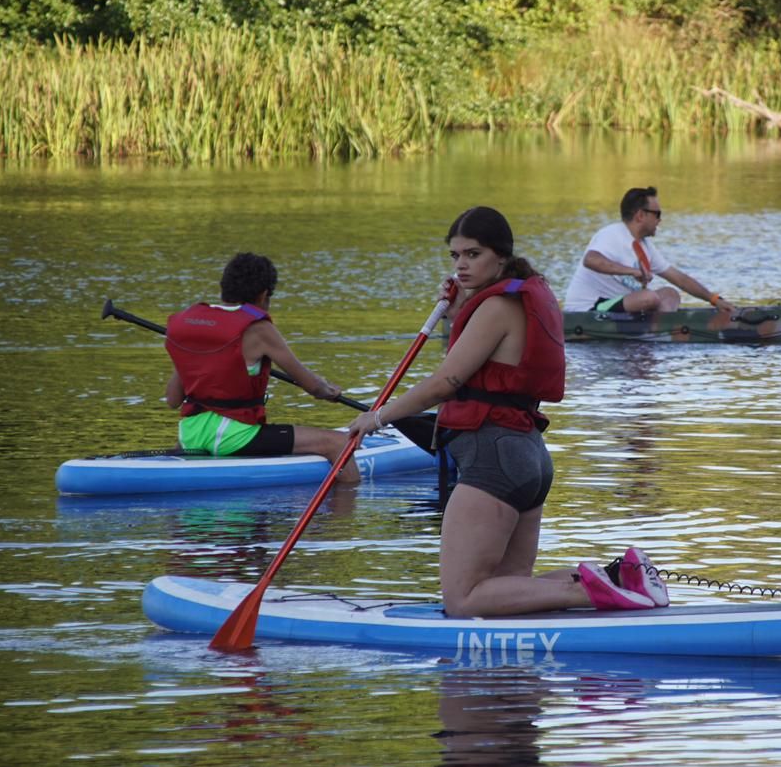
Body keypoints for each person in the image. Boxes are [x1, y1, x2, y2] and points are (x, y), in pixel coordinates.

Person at [346, 206, 670, 616]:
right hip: (527, 455)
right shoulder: (517, 297)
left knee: (462, 601)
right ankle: (622, 577)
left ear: (500, 256)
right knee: (508, 590)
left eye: (473, 254)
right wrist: (458, 310)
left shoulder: (496, 307)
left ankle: (590, 593)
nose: (461, 265)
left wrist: (376, 418)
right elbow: (486, 370)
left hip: (493, 457)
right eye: (455, 255)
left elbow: (447, 383)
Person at [164, 251, 358, 483]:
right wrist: (329, 390)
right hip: (234, 436)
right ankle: (349, 513)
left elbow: (173, 399)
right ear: (264, 295)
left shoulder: (195, 327)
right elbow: (313, 387)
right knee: (339, 443)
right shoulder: (258, 328)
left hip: (190, 436)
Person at [563, 186, 736, 314]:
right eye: (657, 214)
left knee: (671, 294)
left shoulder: (646, 247)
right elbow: (590, 260)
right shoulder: (612, 234)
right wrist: (631, 271)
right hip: (589, 308)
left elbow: (680, 279)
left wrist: (714, 300)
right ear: (640, 215)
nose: (660, 220)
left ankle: (660, 330)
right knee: (649, 297)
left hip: (618, 306)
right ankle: (657, 328)